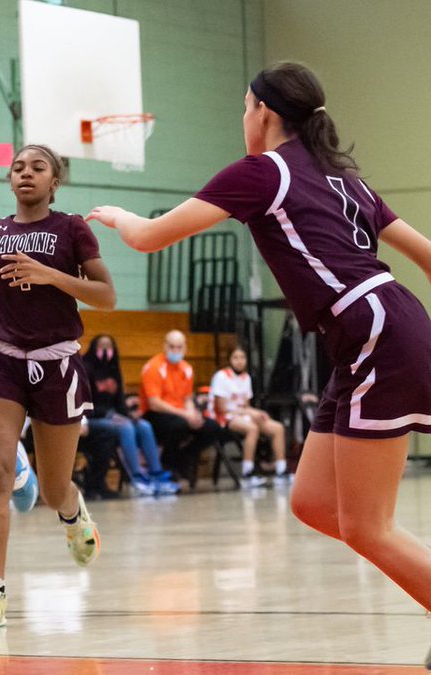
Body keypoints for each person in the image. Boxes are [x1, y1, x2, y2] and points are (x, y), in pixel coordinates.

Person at [88, 61, 431, 667]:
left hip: (370, 328)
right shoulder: (347, 181)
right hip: (376, 326)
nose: (243, 119)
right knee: (313, 503)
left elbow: (148, 238)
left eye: (245, 108)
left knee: (367, 525)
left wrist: (115, 217)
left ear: (264, 113)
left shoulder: (261, 174)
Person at [0, 143, 116, 632]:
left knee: (54, 491)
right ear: (9, 180)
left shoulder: (72, 228)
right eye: (18, 167)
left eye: (38, 167)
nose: (26, 173)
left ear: (55, 181)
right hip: (0, 362)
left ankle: (73, 516)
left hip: (57, 364)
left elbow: (106, 296)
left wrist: (50, 275)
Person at [81, 334, 179, 496]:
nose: (106, 351)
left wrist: (129, 415)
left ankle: (156, 473)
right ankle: (136, 477)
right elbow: (85, 403)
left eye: (109, 346)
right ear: (93, 347)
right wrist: (111, 415)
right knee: (126, 427)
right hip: (93, 417)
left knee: (143, 426)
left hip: (113, 415)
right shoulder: (86, 367)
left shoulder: (114, 369)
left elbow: (119, 401)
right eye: (102, 346)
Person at [138, 330, 222, 488]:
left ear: (185, 348)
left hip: (180, 413)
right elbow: (154, 403)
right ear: (164, 346)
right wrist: (185, 415)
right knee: (179, 425)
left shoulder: (187, 368)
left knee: (212, 427)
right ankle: (168, 464)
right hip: (155, 414)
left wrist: (191, 413)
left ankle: (184, 458)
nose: (175, 351)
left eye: (179, 347)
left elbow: (187, 399)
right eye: (172, 347)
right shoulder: (154, 367)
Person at [208, 345, 289, 487]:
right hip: (223, 417)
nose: (239, 361)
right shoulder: (221, 376)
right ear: (229, 359)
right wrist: (249, 413)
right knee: (252, 428)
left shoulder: (246, 378)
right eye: (235, 357)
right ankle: (247, 472)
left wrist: (255, 412)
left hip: (241, 414)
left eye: (242, 357)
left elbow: (245, 406)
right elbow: (221, 409)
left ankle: (281, 471)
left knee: (277, 428)